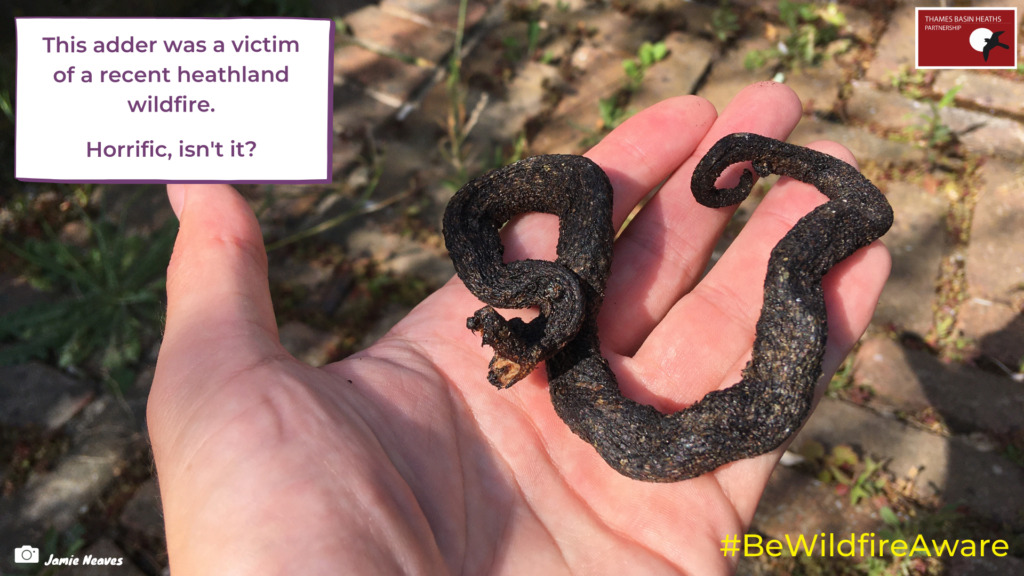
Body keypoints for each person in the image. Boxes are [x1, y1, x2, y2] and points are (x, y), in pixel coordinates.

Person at [148, 82, 891, 575]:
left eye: (511, 356)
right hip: (582, 357)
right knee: (772, 277)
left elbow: (564, 308)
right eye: (514, 358)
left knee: (791, 269)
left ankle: (847, 213)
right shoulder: (532, 306)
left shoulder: (548, 317)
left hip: (596, 359)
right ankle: (844, 211)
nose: (511, 365)